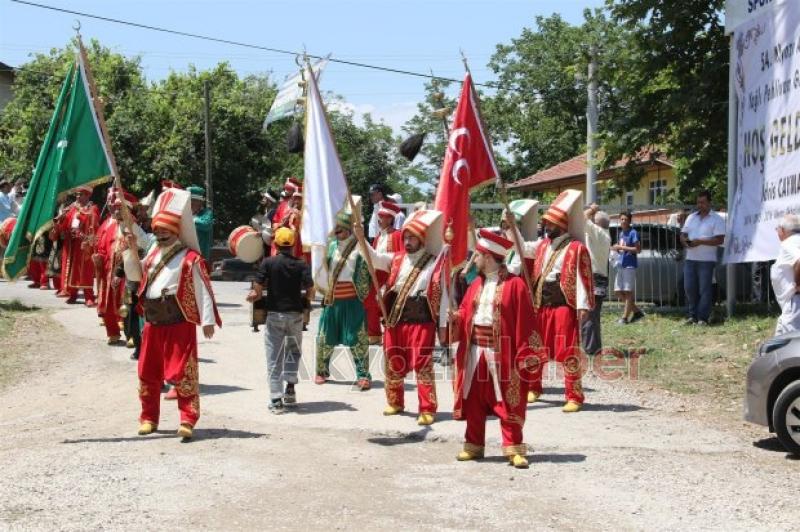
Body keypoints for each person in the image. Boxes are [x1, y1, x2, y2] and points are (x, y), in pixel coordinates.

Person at [124, 187, 221, 441]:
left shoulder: (190, 258)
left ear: (176, 231)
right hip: (153, 322)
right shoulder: (153, 253)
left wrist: (207, 320)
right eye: (157, 230)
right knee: (148, 371)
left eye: (164, 230)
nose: (160, 234)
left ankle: (188, 419)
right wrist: (131, 251)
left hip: (179, 321)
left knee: (184, 373)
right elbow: (136, 275)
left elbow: (203, 290)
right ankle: (148, 417)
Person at [450, 229, 536, 469]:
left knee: (507, 401)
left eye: (476, 256)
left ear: (488, 257)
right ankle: (473, 444)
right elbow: (468, 312)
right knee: (474, 398)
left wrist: (525, 355)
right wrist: (455, 317)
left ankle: (514, 447)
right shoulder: (475, 284)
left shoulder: (516, 285)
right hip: (475, 350)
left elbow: (526, 322)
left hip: (503, 353)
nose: (473, 260)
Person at [358, 209, 449, 426]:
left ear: (422, 239)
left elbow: (443, 294)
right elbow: (375, 258)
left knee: (422, 364)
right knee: (393, 361)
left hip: (421, 319)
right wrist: (361, 239)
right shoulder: (396, 259)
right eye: (405, 237)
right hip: (395, 318)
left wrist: (443, 324)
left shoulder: (434, 262)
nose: (407, 241)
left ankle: (427, 408)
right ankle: (395, 401)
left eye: (412, 238)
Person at [527, 190, 594, 412]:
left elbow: (582, 279)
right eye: (545, 223)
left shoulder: (576, 248)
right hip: (541, 304)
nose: (546, 227)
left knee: (568, 350)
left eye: (550, 223)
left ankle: (574, 395)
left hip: (564, 305)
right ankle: (534, 387)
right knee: (536, 349)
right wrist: (510, 229)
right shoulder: (543, 245)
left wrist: (583, 305)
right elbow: (523, 248)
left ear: (562, 225)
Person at [247, 227, 313, 413]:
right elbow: (310, 290)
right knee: (293, 351)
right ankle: (290, 389)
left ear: (275, 244)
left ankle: (276, 400)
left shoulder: (268, 263)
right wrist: (305, 301)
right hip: (295, 316)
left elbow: (258, 288)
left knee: (274, 356)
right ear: (292, 245)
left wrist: (254, 294)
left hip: (275, 315)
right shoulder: (301, 265)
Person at [314, 208, 373, 390]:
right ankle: (321, 371)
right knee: (325, 338)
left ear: (348, 229)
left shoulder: (359, 247)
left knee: (358, 339)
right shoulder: (331, 246)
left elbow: (368, 272)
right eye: (335, 229)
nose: (336, 233)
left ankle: (363, 375)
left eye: (339, 229)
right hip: (333, 299)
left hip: (352, 300)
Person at [680, 190, 725, 326]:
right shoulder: (691, 217)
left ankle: (702, 318)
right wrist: (685, 242)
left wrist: (700, 241)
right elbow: (683, 234)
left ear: (709, 202)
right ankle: (692, 316)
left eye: (703, 202)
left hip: (707, 260)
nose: (700, 205)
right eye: (698, 202)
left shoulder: (716, 219)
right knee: (689, 288)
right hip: (690, 258)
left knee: (704, 289)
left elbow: (719, 240)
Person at [364, 200, 403, 345]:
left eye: (385, 217)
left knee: (387, 305)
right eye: (380, 217)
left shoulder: (398, 235)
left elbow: (400, 257)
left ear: (391, 219)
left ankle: (390, 335)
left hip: (389, 275)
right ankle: (373, 334)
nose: (381, 220)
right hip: (375, 275)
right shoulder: (379, 237)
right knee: (369, 301)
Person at [55, 186, 99, 306]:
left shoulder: (93, 208)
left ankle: (88, 297)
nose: (78, 197)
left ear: (87, 195)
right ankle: (72, 294)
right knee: (71, 271)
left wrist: (82, 216)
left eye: (81, 195)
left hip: (85, 245)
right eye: (77, 195)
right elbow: (66, 225)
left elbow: (94, 225)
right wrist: (62, 218)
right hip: (72, 245)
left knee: (86, 271)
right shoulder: (72, 208)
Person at [583, 204, 611, 354]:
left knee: (589, 314)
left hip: (593, 278)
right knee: (593, 315)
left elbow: (582, 219)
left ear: (597, 223)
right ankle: (594, 347)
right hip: (600, 278)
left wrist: (592, 209)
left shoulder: (598, 232)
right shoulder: (605, 234)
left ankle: (591, 349)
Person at [612, 211, 643, 324]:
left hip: (629, 265)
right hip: (621, 264)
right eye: (622, 219)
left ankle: (624, 318)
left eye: (626, 219)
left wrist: (622, 247)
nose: (623, 221)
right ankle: (637, 312)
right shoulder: (621, 233)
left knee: (628, 291)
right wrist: (616, 248)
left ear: (629, 221)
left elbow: (638, 250)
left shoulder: (633, 232)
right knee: (617, 291)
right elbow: (622, 248)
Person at [771, 214, 800, 335]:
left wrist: (798, 285)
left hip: (795, 303)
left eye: (777, 228)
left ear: (783, 230)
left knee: (793, 345)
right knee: (779, 345)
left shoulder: (789, 243)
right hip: (791, 305)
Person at [188, 185, 213, 264]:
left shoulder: (206, 213)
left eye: (195, 200)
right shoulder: (182, 214)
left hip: (200, 257)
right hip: (184, 255)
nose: (192, 203)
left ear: (201, 203)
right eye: (190, 200)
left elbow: (206, 225)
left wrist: (190, 219)